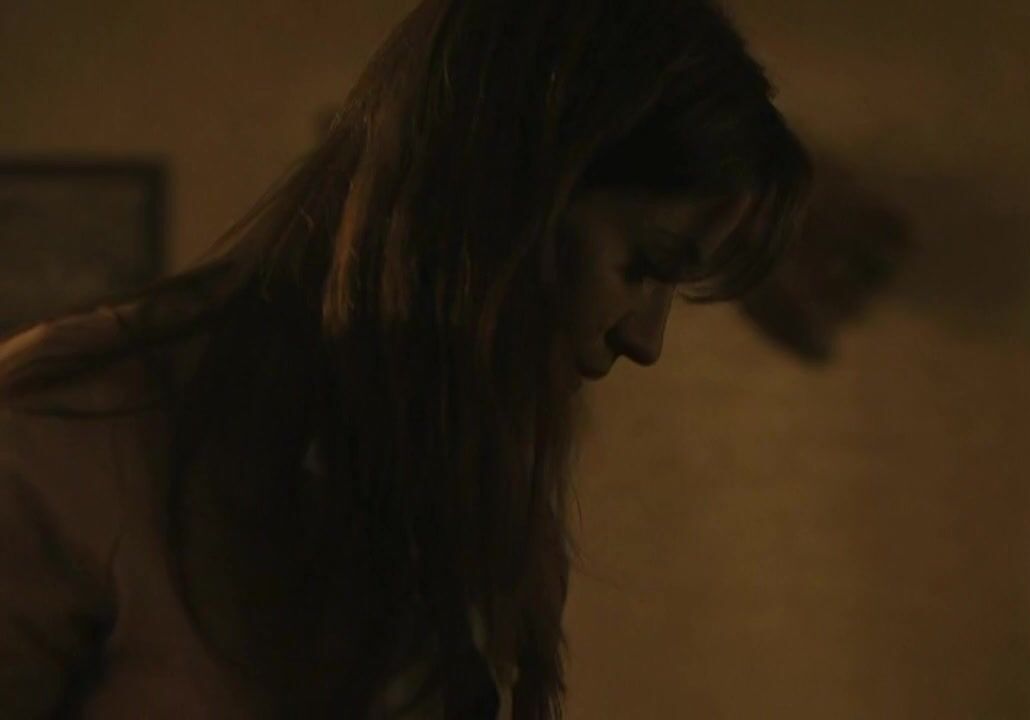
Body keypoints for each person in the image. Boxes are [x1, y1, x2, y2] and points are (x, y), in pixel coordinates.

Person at [0, 0, 810, 717]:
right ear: (510, 196)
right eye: (645, 264)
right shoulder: (70, 431)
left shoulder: (480, 497)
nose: (646, 341)